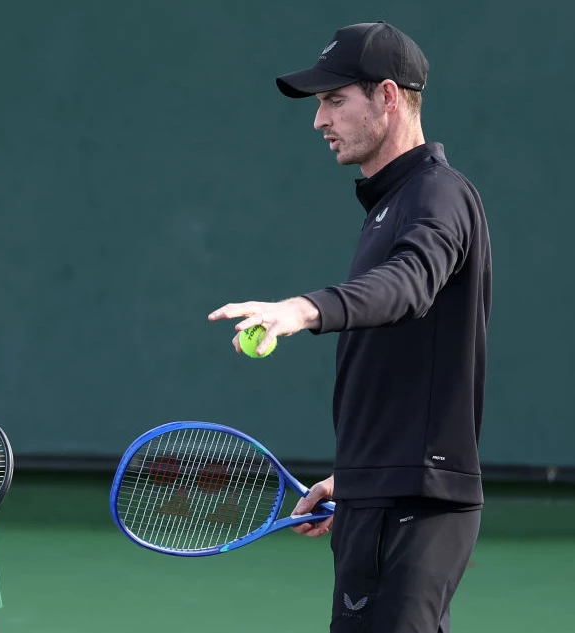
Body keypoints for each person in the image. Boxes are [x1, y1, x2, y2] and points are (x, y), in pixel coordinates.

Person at [208, 21, 491, 632]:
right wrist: (358, 475)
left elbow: (410, 284)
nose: (319, 121)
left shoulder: (438, 195)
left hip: (421, 504)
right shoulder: (388, 204)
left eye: (335, 101)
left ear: (388, 97)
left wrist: (302, 310)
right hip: (377, 492)